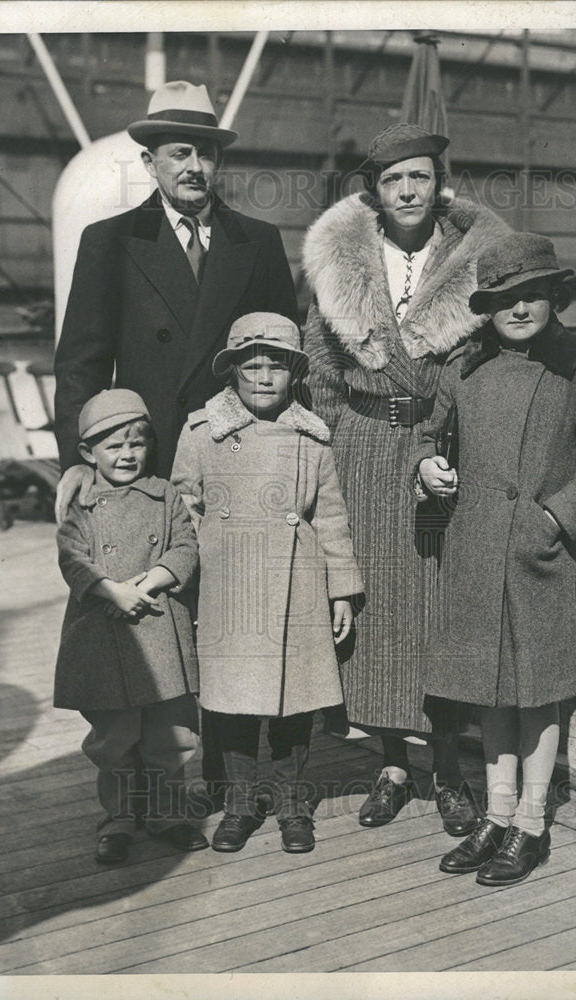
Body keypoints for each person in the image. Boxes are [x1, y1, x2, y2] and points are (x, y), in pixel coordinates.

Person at [54, 80, 299, 803]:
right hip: (144, 468)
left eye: (205, 154)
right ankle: (136, 794)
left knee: (230, 608)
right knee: (145, 620)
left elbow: (285, 357)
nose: (194, 166)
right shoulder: (111, 241)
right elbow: (81, 362)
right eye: (179, 153)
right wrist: (79, 463)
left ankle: (226, 773)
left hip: (237, 457)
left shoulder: (258, 241)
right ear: (151, 162)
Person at [302, 122, 509, 834]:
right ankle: (391, 765)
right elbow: (321, 372)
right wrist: (328, 453)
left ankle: (449, 770)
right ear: (375, 192)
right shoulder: (342, 265)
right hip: (362, 449)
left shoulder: (475, 258)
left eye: (419, 176)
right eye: (393, 180)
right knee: (379, 611)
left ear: (438, 183)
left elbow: (492, 357)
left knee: (440, 610)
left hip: (445, 444)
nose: (408, 190)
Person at [414, 232, 576, 886]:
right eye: (504, 299)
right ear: (486, 307)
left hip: (538, 557)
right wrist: (426, 466)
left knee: (536, 693)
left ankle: (532, 824)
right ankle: (498, 813)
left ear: (554, 298)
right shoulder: (464, 368)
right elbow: (427, 433)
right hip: (474, 551)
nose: (518, 309)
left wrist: (552, 519)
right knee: (490, 690)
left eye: (533, 295)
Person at [171, 312, 364, 854]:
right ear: (232, 370)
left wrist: (341, 589)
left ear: (294, 374)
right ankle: (238, 804)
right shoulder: (202, 431)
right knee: (232, 702)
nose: (262, 378)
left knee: (294, 702)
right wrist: (191, 579)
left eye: (275, 367)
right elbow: (183, 507)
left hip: (297, 585)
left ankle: (292, 805)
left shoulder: (310, 436)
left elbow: (331, 517)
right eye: (251, 366)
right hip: (230, 586)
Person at [54, 389, 207, 865]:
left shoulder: (165, 495)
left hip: (160, 626)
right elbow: (72, 558)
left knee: (171, 736)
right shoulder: (82, 503)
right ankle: (118, 819)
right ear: (88, 453)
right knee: (114, 739)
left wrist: (148, 582)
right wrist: (113, 591)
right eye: (113, 446)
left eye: (136, 444)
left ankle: (167, 814)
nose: (126, 455)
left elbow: (185, 547)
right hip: (102, 632)